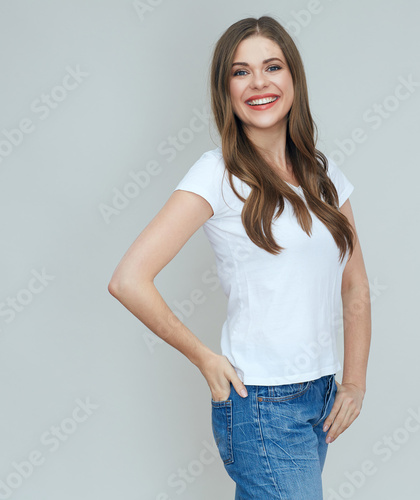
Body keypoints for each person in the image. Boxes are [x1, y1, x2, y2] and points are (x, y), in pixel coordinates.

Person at [108, 15, 371, 499]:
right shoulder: (217, 174)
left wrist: (353, 382)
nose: (259, 83)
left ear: (293, 77)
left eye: (272, 66)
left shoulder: (323, 172)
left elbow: (354, 283)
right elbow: (129, 279)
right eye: (240, 71)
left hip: (318, 393)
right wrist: (204, 357)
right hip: (261, 402)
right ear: (225, 89)